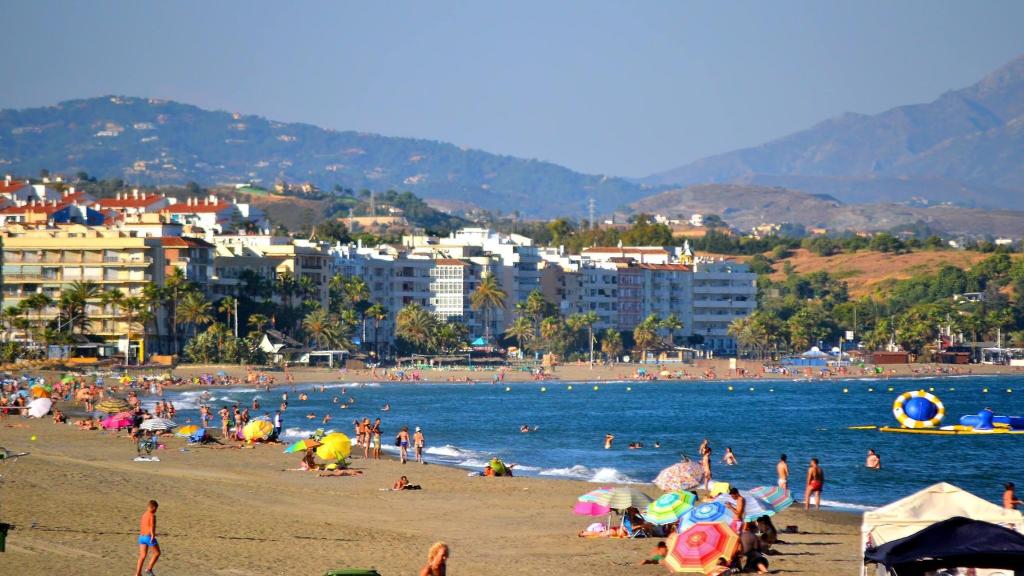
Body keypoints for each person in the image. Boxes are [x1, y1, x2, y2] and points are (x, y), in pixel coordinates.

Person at [134, 500, 160, 576]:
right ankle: (149, 568)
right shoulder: (152, 515)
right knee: (157, 553)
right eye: (156, 509)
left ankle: (138, 573)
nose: (156, 511)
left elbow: (142, 525)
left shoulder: (144, 514)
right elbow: (152, 526)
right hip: (148, 537)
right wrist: (152, 535)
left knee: (142, 556)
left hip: (141, 537)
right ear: (153, 507)